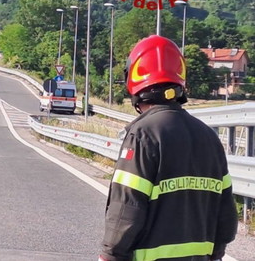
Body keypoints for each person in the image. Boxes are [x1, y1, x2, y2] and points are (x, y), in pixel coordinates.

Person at [99, 35, 237, 261]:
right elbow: (226, 217)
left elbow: (127, 207)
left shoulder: (143, 134)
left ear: (132, 78)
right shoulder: (209, 137)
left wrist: (109, 254)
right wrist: (216, 253)